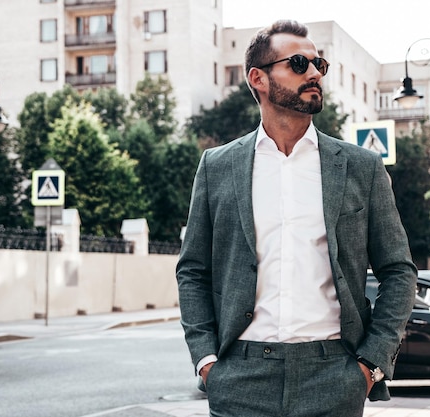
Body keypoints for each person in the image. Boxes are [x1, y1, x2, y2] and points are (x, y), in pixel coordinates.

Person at [176, 19, 417, 417]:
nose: (314, 75)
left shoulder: (361, 167)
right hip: (240, 377)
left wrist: (370, 365)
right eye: (299, 64)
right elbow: (193, 270)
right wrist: (206, 362)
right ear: (259, 78)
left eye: (319, 65)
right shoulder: (218, 166)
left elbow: (399, 270)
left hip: (333, 376)